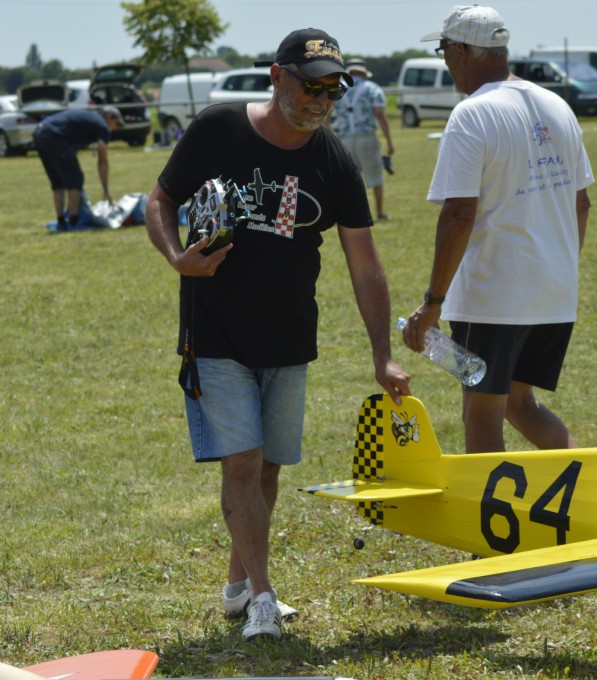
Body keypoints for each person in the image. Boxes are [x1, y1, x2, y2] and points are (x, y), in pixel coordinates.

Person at [144, 28, 411, 642]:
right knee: (241, 462)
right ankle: (264, 599)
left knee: (268, 468)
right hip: (215, 332)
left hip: (289, 336)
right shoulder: (218, 128)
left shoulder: (334, 160)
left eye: (333, 89)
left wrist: (383, 355)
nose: (322, 100)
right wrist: (176, 258)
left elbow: (364, 264)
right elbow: (160, 200)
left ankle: (238, 586)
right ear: (276, 76)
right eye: (312, 86)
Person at [402, 5, 593, 454]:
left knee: (481, 414)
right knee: (521, 404)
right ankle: (593, 483)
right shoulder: (558, 106)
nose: (446, 61)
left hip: (494, 294)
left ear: (463, 51)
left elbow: (459, 215)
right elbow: (581, 203)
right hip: (554, 291)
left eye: (444, 50)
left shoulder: (472, 113)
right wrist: (558, 267)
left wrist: (432, 303)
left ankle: (489, 504)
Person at [33, 105, 123, 230]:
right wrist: (105, 189)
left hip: (40, 132)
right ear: (109, 117)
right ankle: (74, 221)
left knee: (58, 182)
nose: (114, 129)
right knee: (75, 180)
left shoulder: (90, 118)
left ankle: (61, 221)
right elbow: (102, 160)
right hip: (55, 136)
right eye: (117, 124)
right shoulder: (102, 126)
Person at [332, 58, 395, 220]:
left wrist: (331, 138)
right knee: (375, 176)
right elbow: (380, 114)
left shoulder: (339, 88)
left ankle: (348, 215)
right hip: (366, 137)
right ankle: (379, 213)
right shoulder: (372, 88)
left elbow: (326, 115)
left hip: (344, 139)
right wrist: (389, 141)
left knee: (347, 179)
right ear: (364, 73)